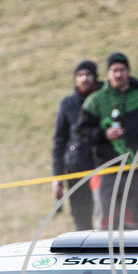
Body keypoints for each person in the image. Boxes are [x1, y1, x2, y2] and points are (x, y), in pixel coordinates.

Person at [76, 52, 138, 230]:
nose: (118, 74)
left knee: (132, 221)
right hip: (105, 170)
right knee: (105, 223)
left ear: (128, 72)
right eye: (114, 70)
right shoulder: (96, 100)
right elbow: (82, 129)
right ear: (108, 73)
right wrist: (104, 134)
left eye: (122, 70)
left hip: (133, 171)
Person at [51, 60, 102, 230]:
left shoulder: (106, 99)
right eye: (80, 75)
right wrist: (57, 176)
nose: (84, 79)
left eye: (88, 75)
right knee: (81, 219)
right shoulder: (67, 104)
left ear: (95, 77)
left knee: (107, 218)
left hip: (103, 165)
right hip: (76, 168)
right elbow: (59, 141)